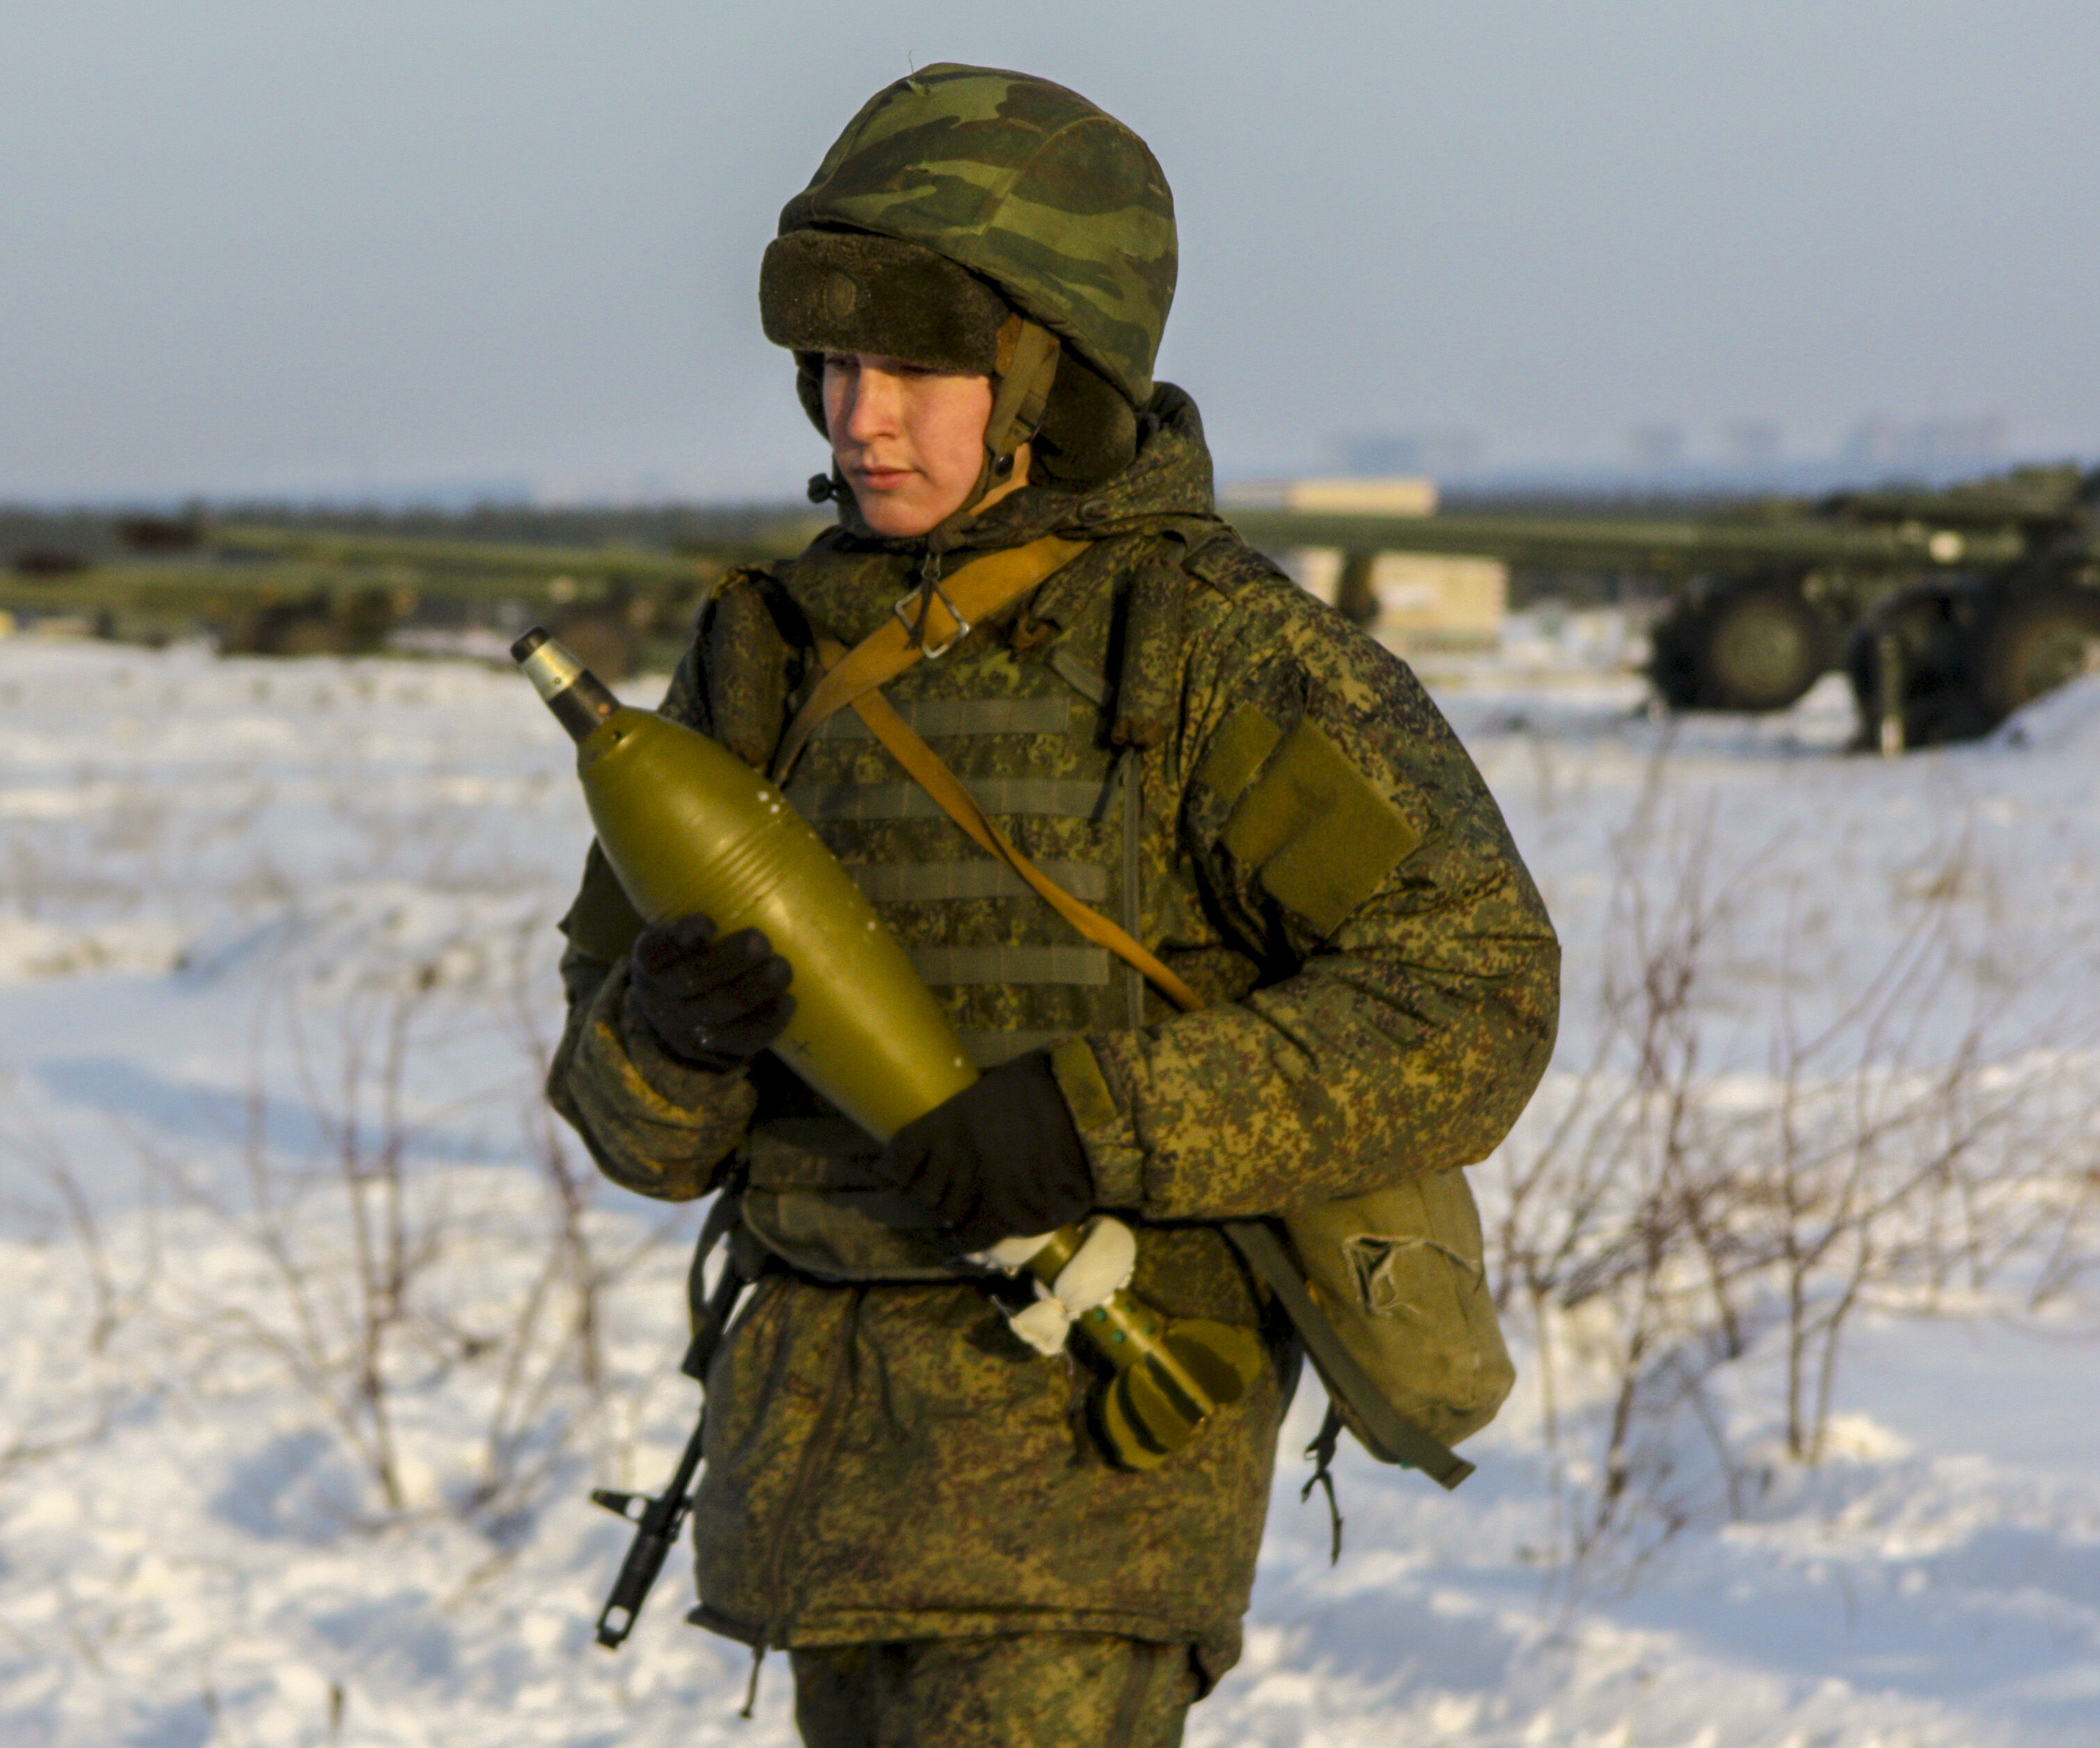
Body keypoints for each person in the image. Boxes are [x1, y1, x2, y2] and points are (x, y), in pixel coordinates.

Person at [547, 64, 1559, 1747]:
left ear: (1054, 376)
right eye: (828, 364)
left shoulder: (1210, 658)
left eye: (915, 366)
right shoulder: (764, 656)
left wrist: (1097, 1118)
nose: (856, 415)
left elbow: (1474, 998)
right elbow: (630, 1129)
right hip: (821, 1472)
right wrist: (662, 1041)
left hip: (1089, 1469)